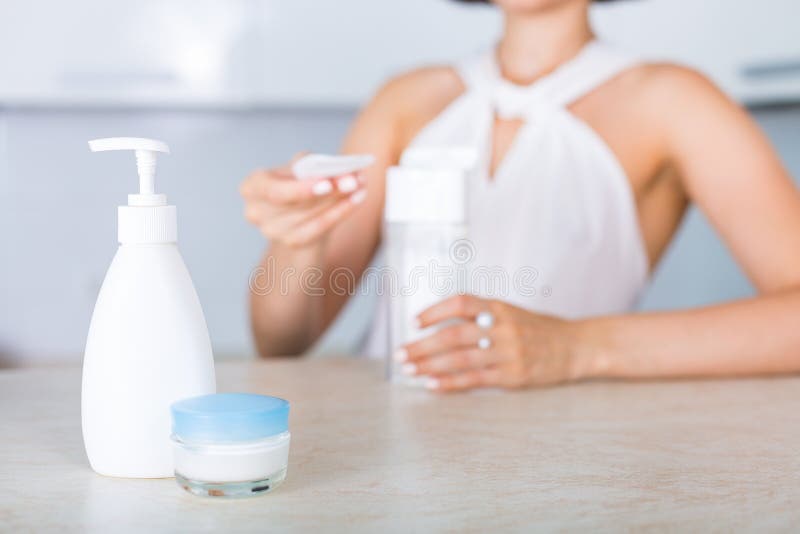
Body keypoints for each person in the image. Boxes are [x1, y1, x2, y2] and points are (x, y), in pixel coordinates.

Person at [239, 0, 800, 392]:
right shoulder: (405, 100)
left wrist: (578, 347)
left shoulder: (673, 102)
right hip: (390, 437)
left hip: (557, 455)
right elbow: (282, 342)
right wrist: (296, 243)